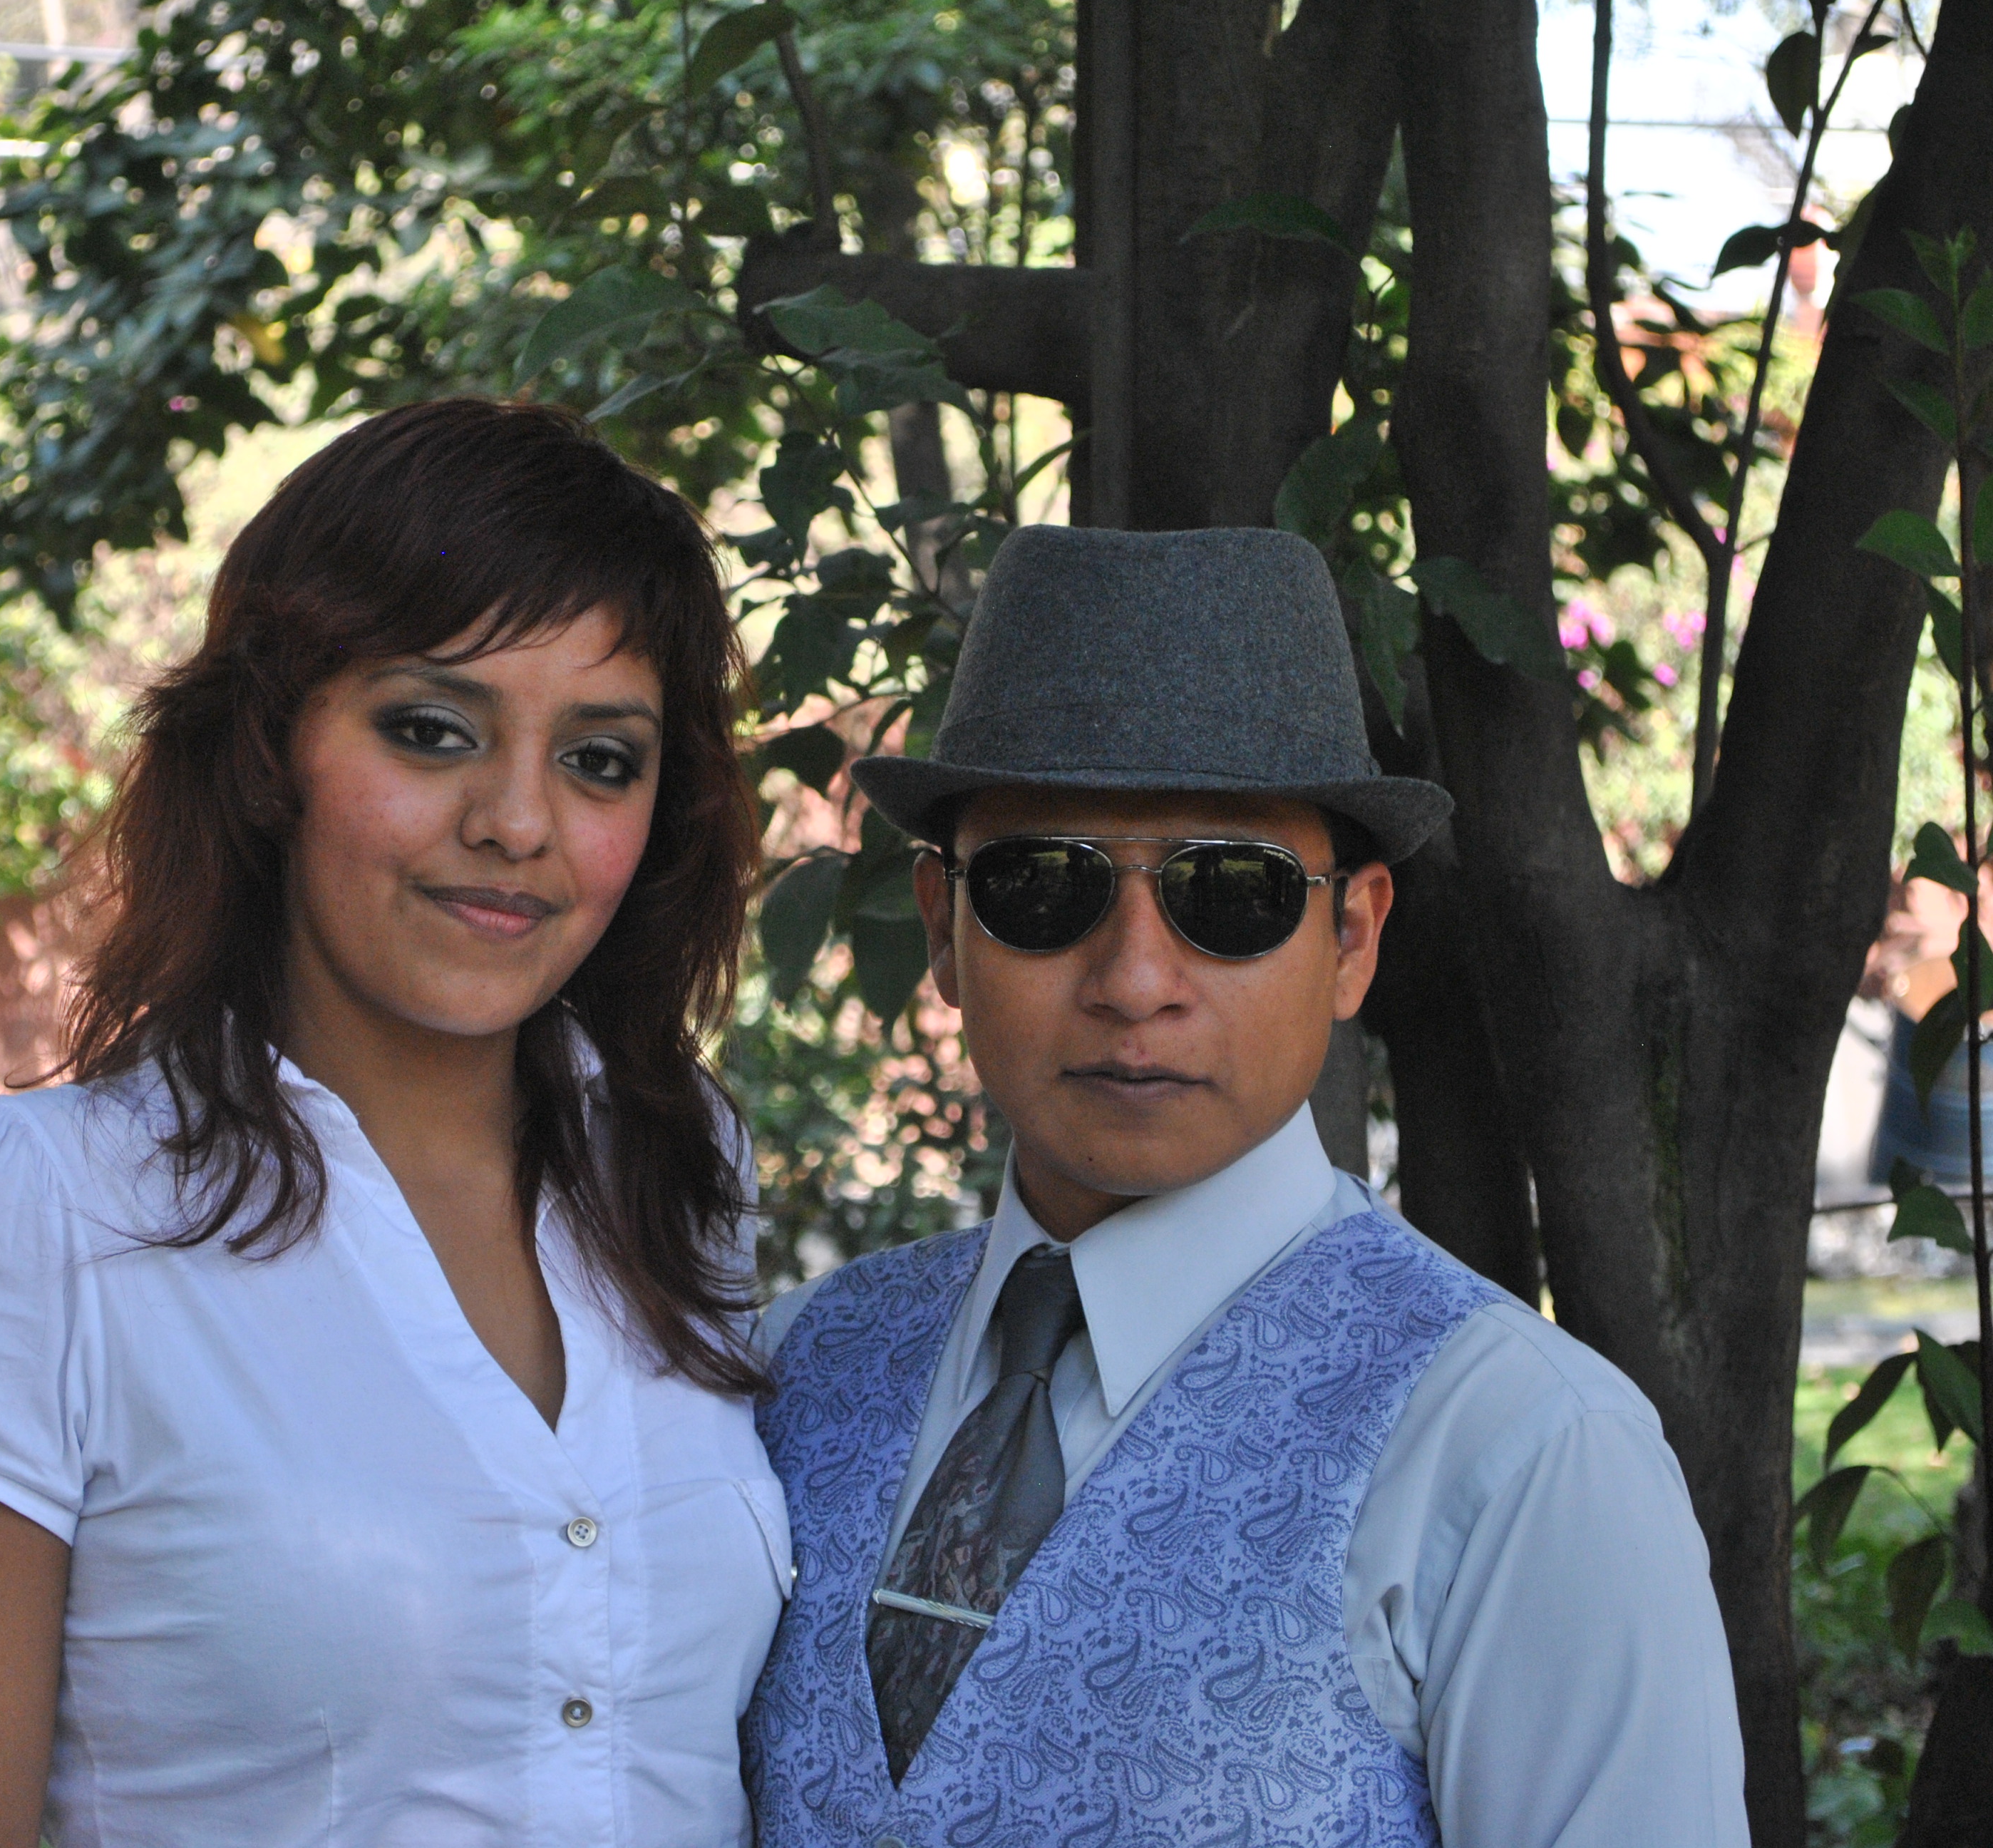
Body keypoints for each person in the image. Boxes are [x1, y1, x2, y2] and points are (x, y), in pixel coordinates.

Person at [0, 399, 790, 1848]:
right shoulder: (12, 1223)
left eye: (599, 759)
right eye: (431, 731)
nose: (518, 822)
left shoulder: (676, 1172)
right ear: (269, 748)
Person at [743, 526, 1748, 1847]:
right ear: (942, 927)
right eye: (1044, 887)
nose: (1134, 980)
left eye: (1232, 893)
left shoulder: (1519, 1451)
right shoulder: (794, 1370)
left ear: (1352, 938)